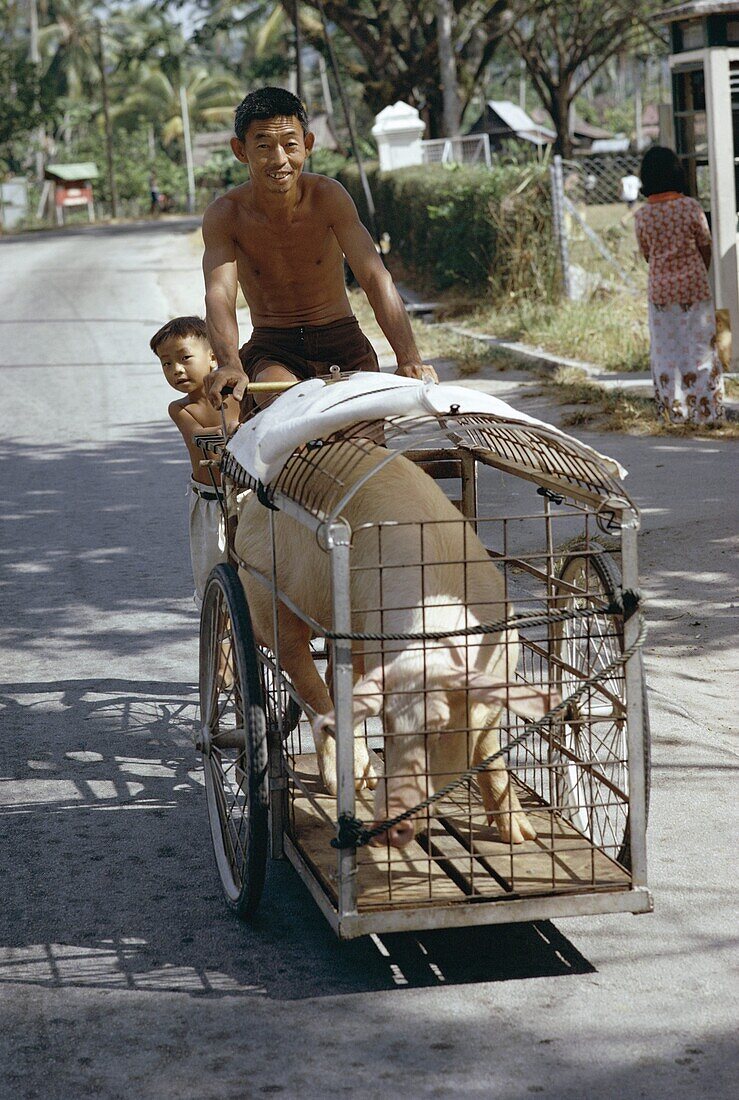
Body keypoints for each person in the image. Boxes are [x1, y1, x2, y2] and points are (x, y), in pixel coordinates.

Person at [201, 86, 436, 412]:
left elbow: (374, 277)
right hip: (274, 346)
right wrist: (229, 363)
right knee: (285, 403)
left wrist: (409, 358)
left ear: (308, 145)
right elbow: (219, 295)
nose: (279, 159)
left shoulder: (329, 198)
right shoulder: (225, 215)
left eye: (290, 145)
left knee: (361, 434)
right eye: (264, 146)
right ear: (241, 151)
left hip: (341, 339)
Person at [150, 316, 240, 607]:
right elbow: (204, 438)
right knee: (214, 576)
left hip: (247, 494)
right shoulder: (180, 409)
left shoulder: (239, 393)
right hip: (211, 502)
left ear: (213, 356)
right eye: (166, 363)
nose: (176, 370)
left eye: (184, 358)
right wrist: (240, 428)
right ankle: (222, 639)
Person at [635, 146, 724, 425]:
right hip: (695, 287)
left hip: (660, 292)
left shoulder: (642, 216)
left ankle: (672, 413)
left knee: (665, 352)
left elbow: (647, 254)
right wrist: (699, 271)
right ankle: (706, 412)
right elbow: (705, 246)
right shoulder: (691, 207)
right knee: (701, 349)